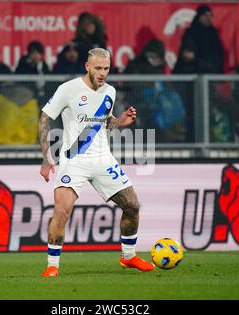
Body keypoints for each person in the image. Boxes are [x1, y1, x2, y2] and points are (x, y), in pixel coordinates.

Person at [39, 48, 154, 277]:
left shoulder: (109, 92)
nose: (102, 73)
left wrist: (120, 121)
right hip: (74, 160)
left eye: (106, 69)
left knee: (132, 206)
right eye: (98, 68)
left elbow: (105, 122)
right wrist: (46, 157)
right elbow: (45, 118)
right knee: (62, 211)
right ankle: (52, 265)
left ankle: (128, 257)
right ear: (87, 66)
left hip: (103, 159)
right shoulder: (68, 89)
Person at [177, 4, 224, 74]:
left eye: (210, 16)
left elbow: (218, 54)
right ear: (199, 16)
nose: (208, 18)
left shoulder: (213, 34)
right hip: (193, 73)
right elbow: (187, 54)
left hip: (212, 73)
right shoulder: (191, 32)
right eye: (205, 15)